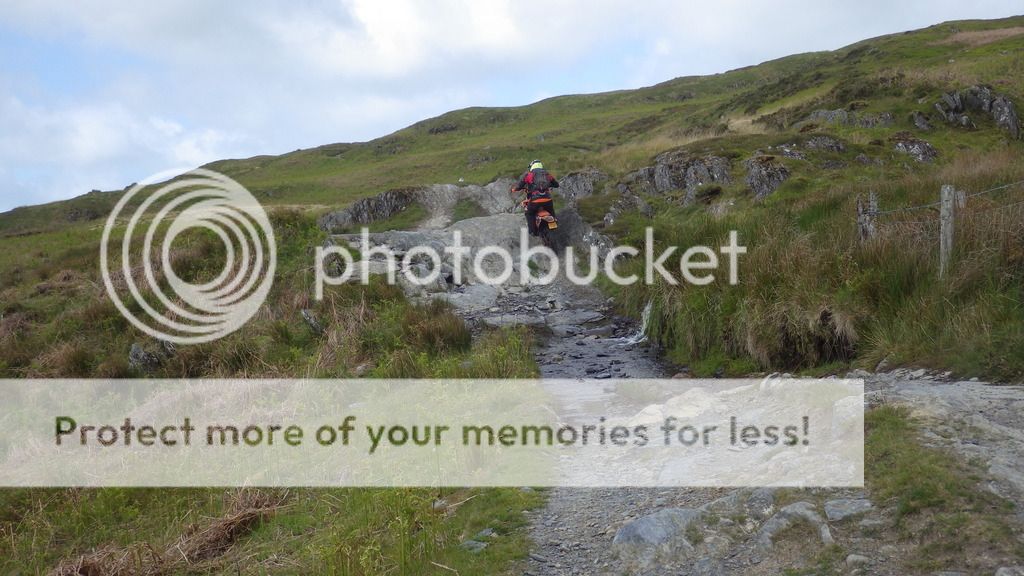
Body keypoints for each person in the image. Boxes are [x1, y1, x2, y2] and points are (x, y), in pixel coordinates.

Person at [512, 159, 559, 236]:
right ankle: (554, 222)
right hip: (547, 199)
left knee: (529, 213)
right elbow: (556, 185)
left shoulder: (529, 175)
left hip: (535, 200)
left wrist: (514, 189)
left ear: (532, 166)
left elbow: (519, 186)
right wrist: (549, 185)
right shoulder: (547, 175)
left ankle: (532, 232)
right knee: (551, 210)